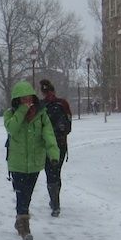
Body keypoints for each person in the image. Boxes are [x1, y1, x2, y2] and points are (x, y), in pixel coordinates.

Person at [3, 81, 59, 240]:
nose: (27, 101)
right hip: (17, 163)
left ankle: (20, 220)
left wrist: (54, 153)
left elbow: (48, 134)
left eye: (29, 98)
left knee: (27, 194)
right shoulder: (9, 114)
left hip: (35, 163)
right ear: (17, 100)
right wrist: (22, 111)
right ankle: (24, 228)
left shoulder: (41, 115)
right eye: (23, 99)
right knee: (22, 194)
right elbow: (11, 129)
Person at [38, 79, 72, 216]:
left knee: (50, 172)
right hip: (61, 144)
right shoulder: (63, 104)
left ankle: (55, 203)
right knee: (56, 171)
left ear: (42, 91)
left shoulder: (41, 105)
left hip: (47, 144)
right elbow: (69, 126)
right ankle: (55, 200)